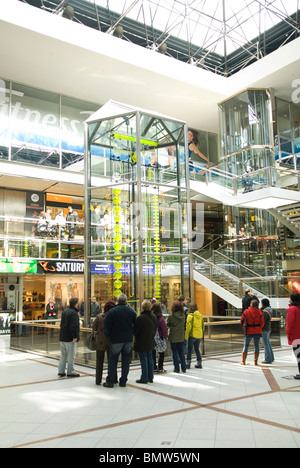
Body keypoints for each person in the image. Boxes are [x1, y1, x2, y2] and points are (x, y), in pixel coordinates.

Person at [103, 293, 137, 388]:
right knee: (126, 360)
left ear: (117, 301)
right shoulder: (131, 311)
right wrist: (132, 333)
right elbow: (136, 324)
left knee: (113, 360)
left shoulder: (112, 312)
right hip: (128, 339)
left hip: (116, 339)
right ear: (126, 301)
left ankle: (110, 381)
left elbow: (106, 326)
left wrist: (109, 335)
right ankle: (123, 381)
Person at [92, 300, 116, 385]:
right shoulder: (114, 317)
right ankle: (114, 378)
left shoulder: (99, 317)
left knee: (99, 362)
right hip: (111, 342)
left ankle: (98, 380)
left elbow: (94, 327)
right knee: (112, 361)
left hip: (100, 342)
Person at [134, 300, 157, 384]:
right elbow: (155, 328)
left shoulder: (140, 318)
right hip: (150, 340)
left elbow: (136, 331)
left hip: (142, 341)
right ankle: (150, 377)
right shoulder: (153, 316)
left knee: (143, 359)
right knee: (150, 359)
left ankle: (144, 377)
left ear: (142, 307)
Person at [58, 297, 80, 377]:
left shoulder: (65, 311)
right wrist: (75, 336)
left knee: (63, 355)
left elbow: (62, 324)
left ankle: (61, 370)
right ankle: (70, 371)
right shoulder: (73, 313)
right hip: (70, 338)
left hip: (63, 336)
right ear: (76, 304)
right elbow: (74, 326)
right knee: (71, 355)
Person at [240, 299, 264, 366]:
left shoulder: (246, 311)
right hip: (257, 330)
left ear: (251, 304)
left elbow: (241, 320)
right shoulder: (259, 312)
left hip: (249, 330)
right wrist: (259, 328)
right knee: (257, 346)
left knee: (246, 346)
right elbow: (262, 323)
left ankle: (243, 361)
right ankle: (255, 362)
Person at [167, 301, 187, 373]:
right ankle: (184, 367)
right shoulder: (183, 316)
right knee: (181, 352)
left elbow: (168, 324)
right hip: (181, 336)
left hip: (173, 337)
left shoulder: (171, 316)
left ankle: (176, 368)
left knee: (174, 352)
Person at [185, 302, 205, 369]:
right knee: (197, 349)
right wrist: (200, 332)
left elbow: (188, 327)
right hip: (199, 335)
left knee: (189, 349)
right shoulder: (200, 315)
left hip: (192, 335)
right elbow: (203, 326)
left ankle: (188, 363)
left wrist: (186, 336)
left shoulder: (190, 316)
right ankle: (199, 363)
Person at [286, 294, 300, 379]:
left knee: (298, 355)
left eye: (289, 298)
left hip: (296, 337)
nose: (289, 300)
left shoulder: (292, 309)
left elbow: (290, 324)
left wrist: (288, 332)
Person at [152, 302, 168, 373]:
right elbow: (164, 329)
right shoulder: (161, 319)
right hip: (160, 337)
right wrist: (165, 336)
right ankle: (160, 367)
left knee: (153, 352)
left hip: (152, 337)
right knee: (161, 352)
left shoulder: (151, 317)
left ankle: (154, 367)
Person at [261, 298, 274, 364]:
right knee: (268, 343)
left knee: (265, 344)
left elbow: (262, 321)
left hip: (264, 329)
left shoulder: (265, 312)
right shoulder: (269, 310)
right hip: (268, 328)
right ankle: (271, 357)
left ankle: (268, 359)